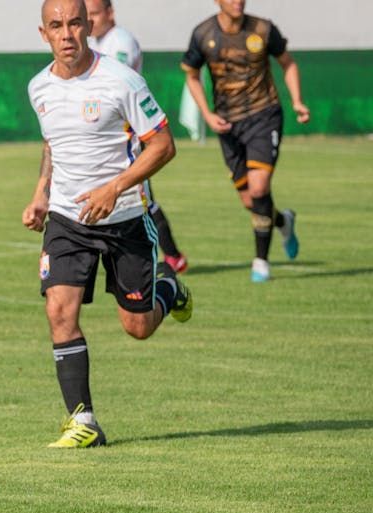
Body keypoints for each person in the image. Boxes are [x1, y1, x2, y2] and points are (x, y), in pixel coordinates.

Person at [24, 0, 192, 448]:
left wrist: (114, 187)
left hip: (125, 217)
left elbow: (163, 145)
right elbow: (52, 144)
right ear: (44, 34)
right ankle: (84, 422)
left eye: (74, 23)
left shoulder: (122, 80)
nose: (66, 34)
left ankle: (169, 288)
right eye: (56, 26)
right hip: (67, 218)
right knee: (59, 311)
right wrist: (41, 194)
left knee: (137, 327)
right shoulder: (39, 87)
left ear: (88, 26)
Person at [182, 0, 309, 282]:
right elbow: (191, 76)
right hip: (227, 124)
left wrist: (297, 101)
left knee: (259, 186)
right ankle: (283, 221)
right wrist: (207, 114)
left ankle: (260, 262)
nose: (238, 1)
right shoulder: (203, 33)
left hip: (264, 115)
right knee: (250, 200)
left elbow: (288, 63)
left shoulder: (263, 29)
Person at [86, 0, 189, 273]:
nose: (90, 20)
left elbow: (117, 82)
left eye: (95, 14)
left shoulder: (121, 41)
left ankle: (171, 257)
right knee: (135, 196)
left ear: (110, 13)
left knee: (142, 197)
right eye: (87, 15)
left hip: (128, 133)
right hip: (108, 134)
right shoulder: (94, 43)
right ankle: (168, 256)